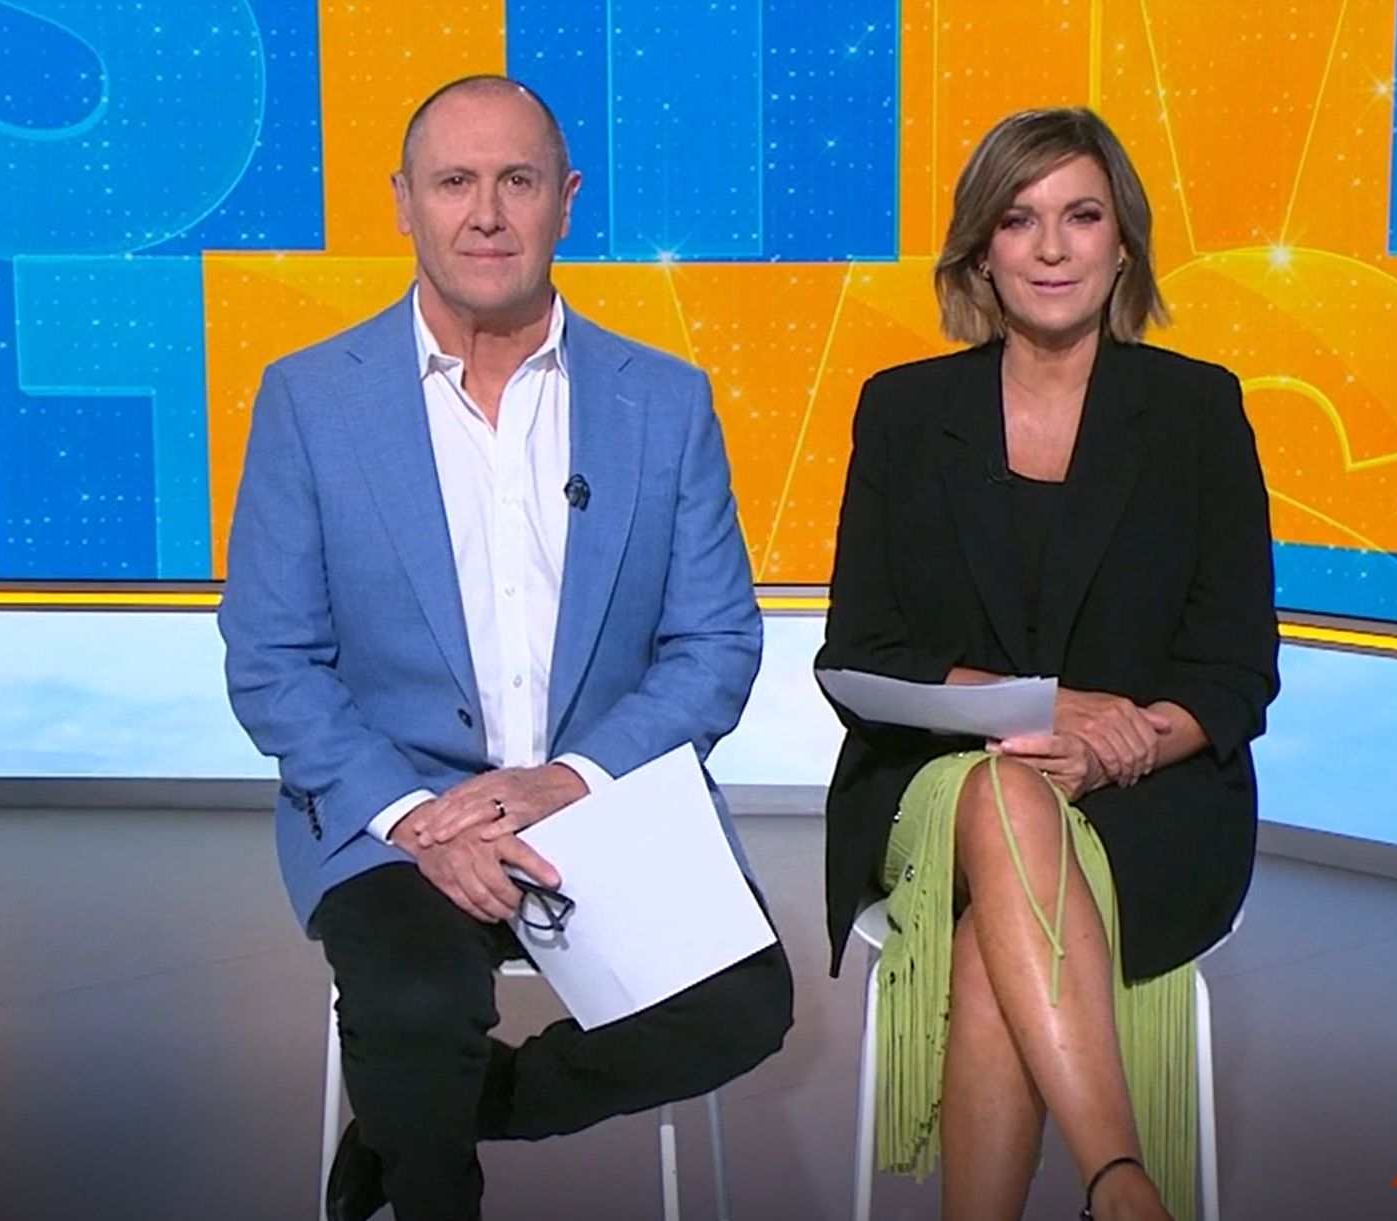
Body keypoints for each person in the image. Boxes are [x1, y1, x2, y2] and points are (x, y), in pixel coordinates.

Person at [220, 74, 794, 1221]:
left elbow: (715, 643)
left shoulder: (663, 400)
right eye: (454, 182)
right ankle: (424, 1144)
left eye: (516, 181)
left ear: (565, 200)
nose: (485, 213)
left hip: (599, 802)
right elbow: (272, 657)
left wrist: (564, 781)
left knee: (740, 1005)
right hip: (395, 815)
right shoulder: (310, 400)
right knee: (413, 1006)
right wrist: (417, 818)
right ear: (404, 201)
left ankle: (422, 1113)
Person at [815, 106, 1279, 1221]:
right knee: (1001, 790)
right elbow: (861, 650)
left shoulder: (1197, 409)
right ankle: (1120, 1181)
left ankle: (1111, 1188)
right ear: (981, 249)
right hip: (929, 780)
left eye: (1082, 216)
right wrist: (1047, 710)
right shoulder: (903, 409)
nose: (1053, 247)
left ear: (1123, 243)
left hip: (1152, 794)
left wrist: (1122, 745)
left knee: (997, 938)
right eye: (1020, 220)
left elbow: (1234, 665)